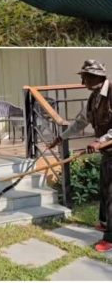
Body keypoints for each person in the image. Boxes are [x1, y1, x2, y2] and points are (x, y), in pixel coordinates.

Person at [47, 59, 112, 252]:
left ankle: (110, 239)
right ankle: (103, 222)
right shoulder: (94, 97)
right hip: (107, 153)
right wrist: (61, 138)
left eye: (84, 77)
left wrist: (101, 140)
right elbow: (80, 122)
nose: (82, 82)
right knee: (105, 189)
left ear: (95, 77)